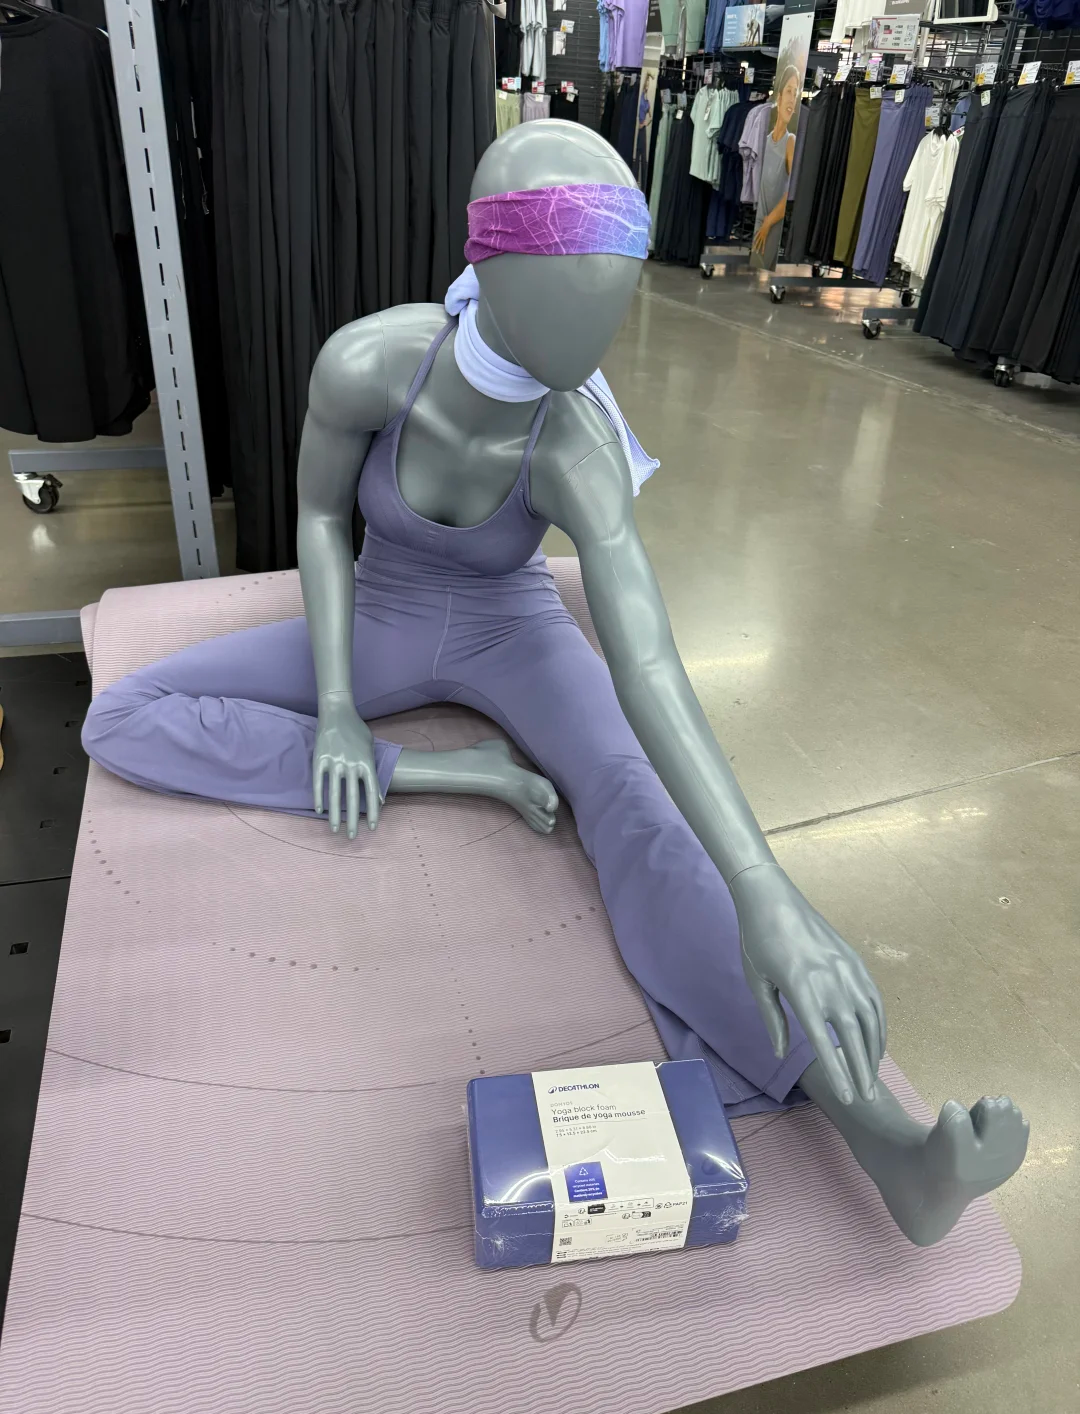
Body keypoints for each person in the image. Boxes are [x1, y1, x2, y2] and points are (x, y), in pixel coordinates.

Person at [83, 122, 1027, 1246]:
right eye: (565, 305)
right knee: (124, 713)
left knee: (642, 812)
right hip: (382, 619)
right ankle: (450, 772)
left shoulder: (578, 443)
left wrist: (766, 887)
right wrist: (342, 715)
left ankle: (885, 1143)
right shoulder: (370, 363)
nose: (593, 338)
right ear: (489, 274)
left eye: (612, 305)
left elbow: (650, 664)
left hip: (514, 630)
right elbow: (323, 521)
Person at [752, 64, 800, 269]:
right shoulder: (765, 140)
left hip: (771, 225)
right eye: (788, 91)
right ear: (779, 97)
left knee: (760, 266)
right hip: (760, 221)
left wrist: (768, 223)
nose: (792, 98)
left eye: (795, 94)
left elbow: (791, 191)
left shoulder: (791, 142)